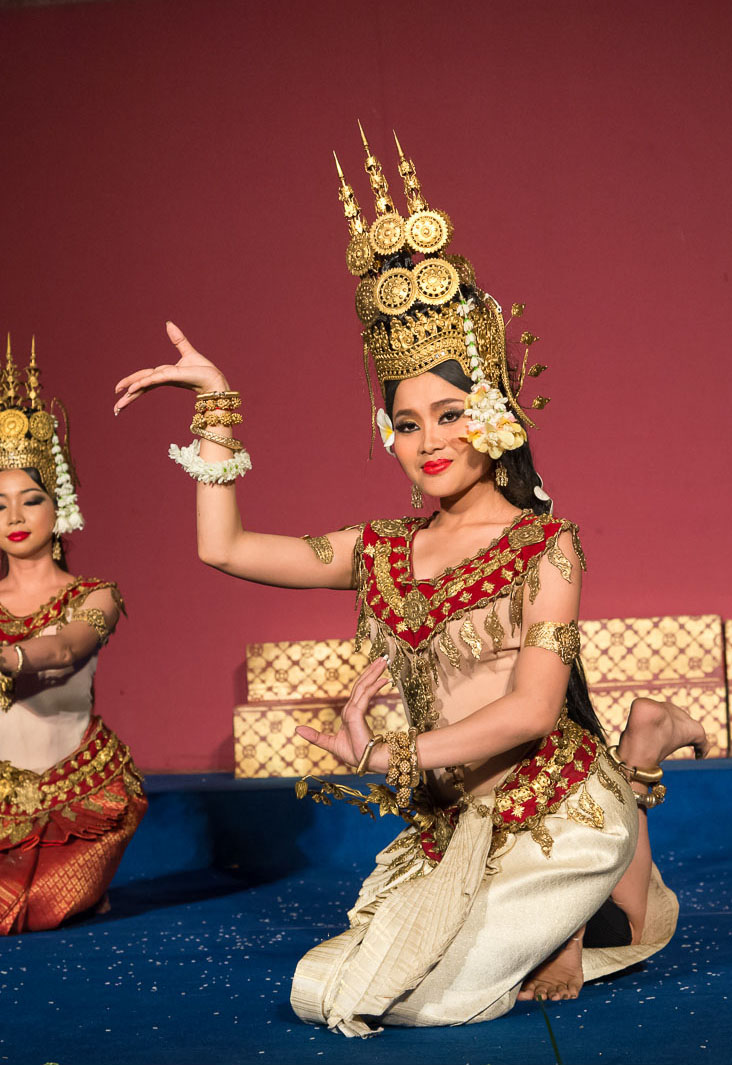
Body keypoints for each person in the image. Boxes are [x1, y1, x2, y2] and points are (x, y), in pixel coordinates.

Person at [113, 129, 708, 1036]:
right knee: (326, 988)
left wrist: (396, 753)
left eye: (451, 413)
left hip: (554, 808)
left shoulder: (548, 543)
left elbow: (533, 715)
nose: (428, 440)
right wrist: (219, 409)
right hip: (454, 825)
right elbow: (224, 548)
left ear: (496, 412)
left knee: (432, 1003)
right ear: (384, 431)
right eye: (405, 422)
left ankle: (631, 773)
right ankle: (571, 882)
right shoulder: (380, 548)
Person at [0, 339, 146, 934]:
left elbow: (62, 651)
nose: (13, 517)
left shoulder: (95, 595)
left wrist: (10, 654)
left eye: (30, 499)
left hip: (83, 795)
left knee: (39, 909)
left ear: (57, 506)